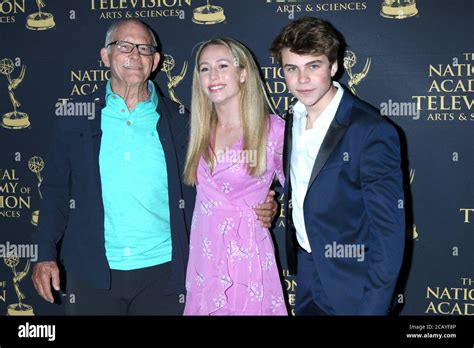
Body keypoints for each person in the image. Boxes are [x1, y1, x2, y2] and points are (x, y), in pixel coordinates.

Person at [31, 19, 277, 315]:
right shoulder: (74, 117)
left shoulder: (184, 123)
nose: (135, 55)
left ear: (155, 60)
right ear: (106, 56)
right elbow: (56, 190)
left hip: (164, 277)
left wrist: (267, 200)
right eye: (124, 46)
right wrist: (45, 254)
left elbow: (228, 176)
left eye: (144, 48)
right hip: (90, 274)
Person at [270, 17, 405, 315]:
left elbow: (388, 234)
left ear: (334, 67)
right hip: (307, 274)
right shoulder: (290, 120)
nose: (302, 79)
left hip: (354, 286)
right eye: (292, 68)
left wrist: (373, 309)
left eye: (313, 66)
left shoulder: (370, 131)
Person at [182, 38, 287, 315]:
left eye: (222, 66)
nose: (212, 76)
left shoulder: (274, 131)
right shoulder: (198, 131)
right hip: (205, 260)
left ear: (243, 74)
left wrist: (275, 205)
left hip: (248, 260)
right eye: (204, 69)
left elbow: (307, 193)